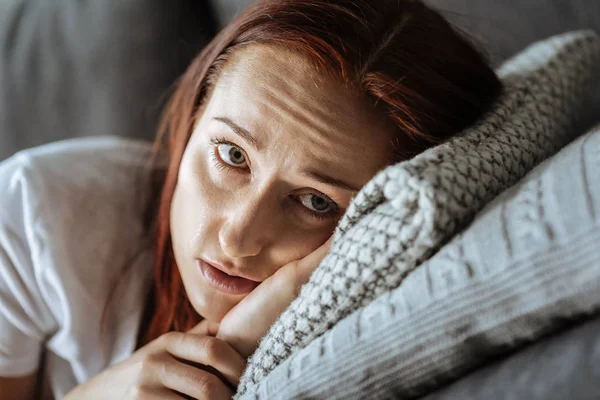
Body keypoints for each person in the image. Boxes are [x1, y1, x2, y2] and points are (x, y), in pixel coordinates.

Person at [0, 0, 501, 399]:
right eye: (232, 155)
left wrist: (271, 313)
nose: (237, 237)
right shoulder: (37, 210)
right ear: (194, 116)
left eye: (315, 202)